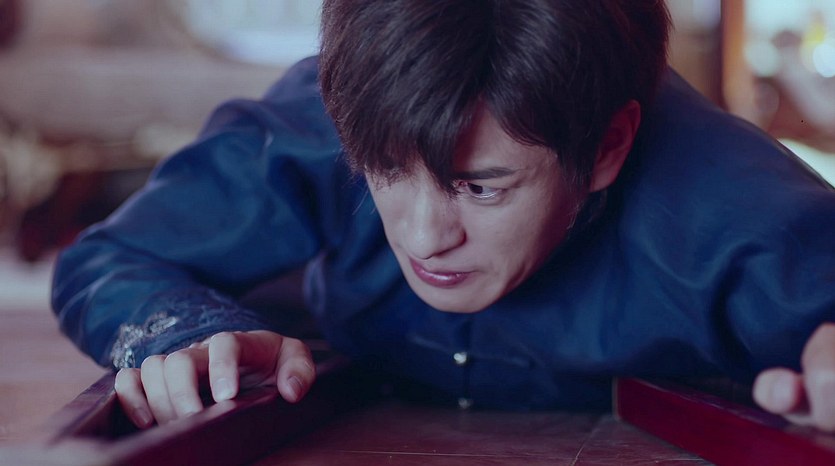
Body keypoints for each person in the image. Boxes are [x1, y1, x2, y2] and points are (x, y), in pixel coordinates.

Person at [52, 0, 835, 432]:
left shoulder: (731, 210)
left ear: (607, 147)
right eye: (387, 171)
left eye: (480, 188)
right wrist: (188, 337)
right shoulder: (326, 117)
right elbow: (109, 256)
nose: (424, 236)